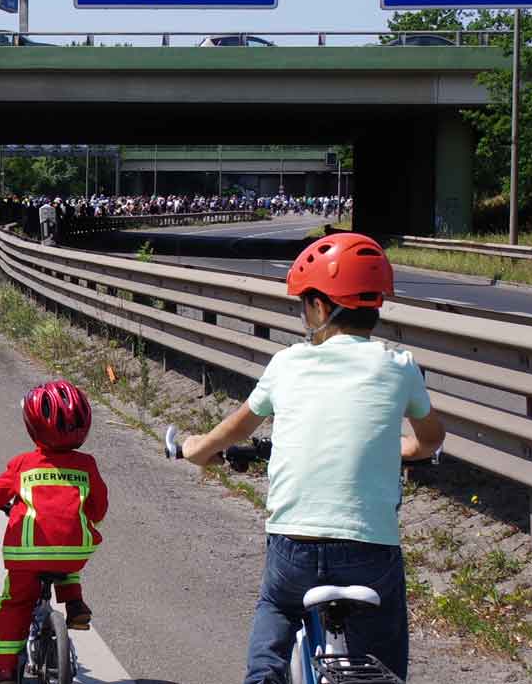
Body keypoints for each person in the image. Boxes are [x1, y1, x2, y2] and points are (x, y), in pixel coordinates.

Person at [172, 233, 443, 684]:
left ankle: (263, 676)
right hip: (368, 550)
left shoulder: (287, 364)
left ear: (320, 307)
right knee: (384, 652)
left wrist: (196, 449)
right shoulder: (400, 366)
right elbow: (431, 440)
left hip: (293, 547)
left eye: (304, 305)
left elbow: (236, 428)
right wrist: (398, 450)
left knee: (277, 605)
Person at [0, 380, 108, 683]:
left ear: (31, 426)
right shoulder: (87, 465)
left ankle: (4, 671)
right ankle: (74, 602)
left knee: (13, 604)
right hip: (73, 550)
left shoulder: (23, 464)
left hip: (27, 554)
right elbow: (98, 509)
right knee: (66, 551)